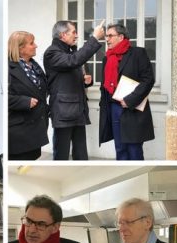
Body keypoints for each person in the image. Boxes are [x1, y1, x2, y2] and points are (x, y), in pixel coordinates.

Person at [43, 20, 105, 160]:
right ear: (63, 35)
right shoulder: (52, 53)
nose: (76, 35)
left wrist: (86, 82)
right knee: (61, 155)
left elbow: (71, 74)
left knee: (81, 154)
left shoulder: (70, 52)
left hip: (77, 110)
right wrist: (94, 38)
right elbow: (73, 61)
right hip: (63, 112)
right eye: (74, 32)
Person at [99, 24, 155, 160]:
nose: (107, 39)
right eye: (106, 36)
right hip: (114, 108)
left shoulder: (138, 53)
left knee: (134, 149)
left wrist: (129, 100)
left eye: (110, 36)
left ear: (121, 37)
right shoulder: (107, 58)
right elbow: (105, 86)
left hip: (132, 108)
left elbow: (148, 80)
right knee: (120, 149)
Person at [8, 31, 49, 160]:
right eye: (31, 43)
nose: (36, 46)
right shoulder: (8, 67)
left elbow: (43, 89)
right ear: (20, 48)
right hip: (20, 131)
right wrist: (24, 101)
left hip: (37, 127)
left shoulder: (34, 66)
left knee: (33, 158)